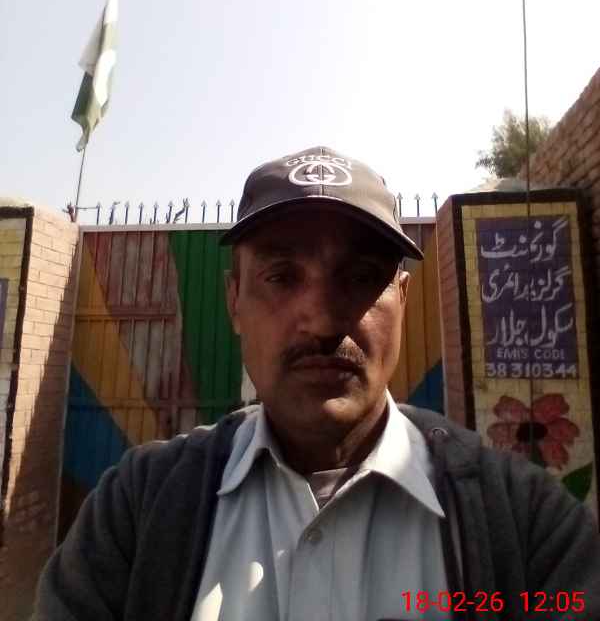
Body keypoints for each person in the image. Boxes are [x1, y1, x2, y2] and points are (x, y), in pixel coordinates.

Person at [35, 146, 600, 621]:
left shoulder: (523, 523)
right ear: (234, 302)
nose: (324, 320)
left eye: (361, 276)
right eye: (282, 276)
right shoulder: (139, 508)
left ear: (402, 301)